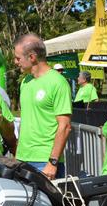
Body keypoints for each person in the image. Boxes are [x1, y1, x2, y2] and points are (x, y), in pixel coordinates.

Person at [14, 34, 72, 179]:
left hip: (44, 162)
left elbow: (64, 126)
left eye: (18, 58)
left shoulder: (58, 82)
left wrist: (52, 162)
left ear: (32, 57)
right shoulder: (25, 81)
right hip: (23, 158)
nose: (15, 62)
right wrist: (17, 155)